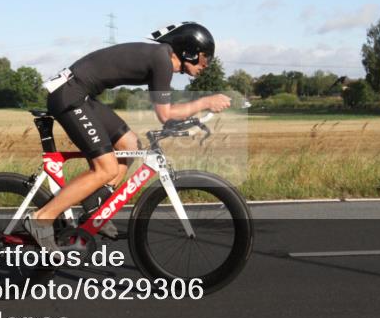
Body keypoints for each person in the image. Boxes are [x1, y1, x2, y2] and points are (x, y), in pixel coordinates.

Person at [23, 22, 231, 249]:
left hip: (79, 94)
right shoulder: (161, 60)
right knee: (106, 168)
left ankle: (95, 205)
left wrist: (189, 117)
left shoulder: (161, 58)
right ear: (188, 51)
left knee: (130, 143)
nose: (206, 65)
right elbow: (165, 113)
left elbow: (166, 111)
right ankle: (41, 219)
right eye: (204, 58)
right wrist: (205, 102)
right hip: (70, 94)